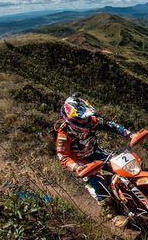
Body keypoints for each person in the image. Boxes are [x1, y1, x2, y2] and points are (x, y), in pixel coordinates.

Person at [55, 94, 136, 227]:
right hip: (82, 162)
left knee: (124, 166)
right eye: (80, 119)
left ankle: (143, 191)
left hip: (96, 153)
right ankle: (113, 216)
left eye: (86, 117)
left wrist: (128, 133)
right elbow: (62, 155)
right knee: (99, 184)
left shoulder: (91, 120)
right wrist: (75, 166)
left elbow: (111, 125)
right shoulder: (64, 133)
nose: (85, 120)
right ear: (71, 119)